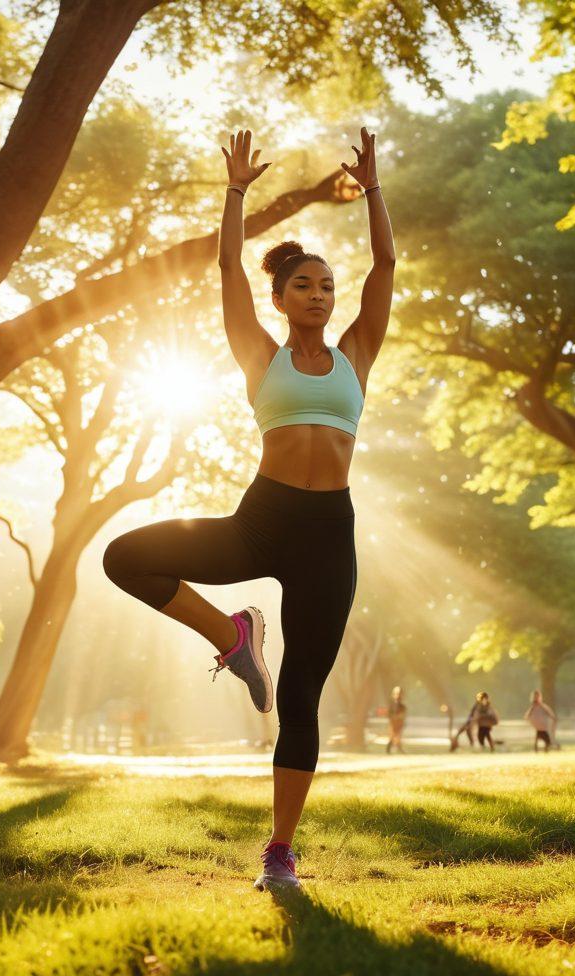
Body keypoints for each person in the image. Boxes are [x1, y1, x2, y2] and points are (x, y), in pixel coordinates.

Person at [103, 126, 395, 891]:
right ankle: (233, 636)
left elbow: (387, 265)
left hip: (331, 535)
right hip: (261, 520)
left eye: (329, 286)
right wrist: (234, 190)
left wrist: (373, 191)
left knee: (301, 693)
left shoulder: (356, 355)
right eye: (306, 285)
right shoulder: (259, 354)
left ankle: (280, 853)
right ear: (280, 298)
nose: (321, 295)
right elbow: (227, 262)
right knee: (124, 557)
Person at [386, 685, 406, 754]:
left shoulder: (402, 707)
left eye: (400, 694)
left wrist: (399, 717)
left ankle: (398, 747)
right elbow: (389, 714)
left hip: (399, 723)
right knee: (393, 735)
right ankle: (390, 748)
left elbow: (402, 715)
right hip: (393, 723)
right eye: (397, 693)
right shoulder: (391, 705)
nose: (398, 696)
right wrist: (393, 717)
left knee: (398, 735)